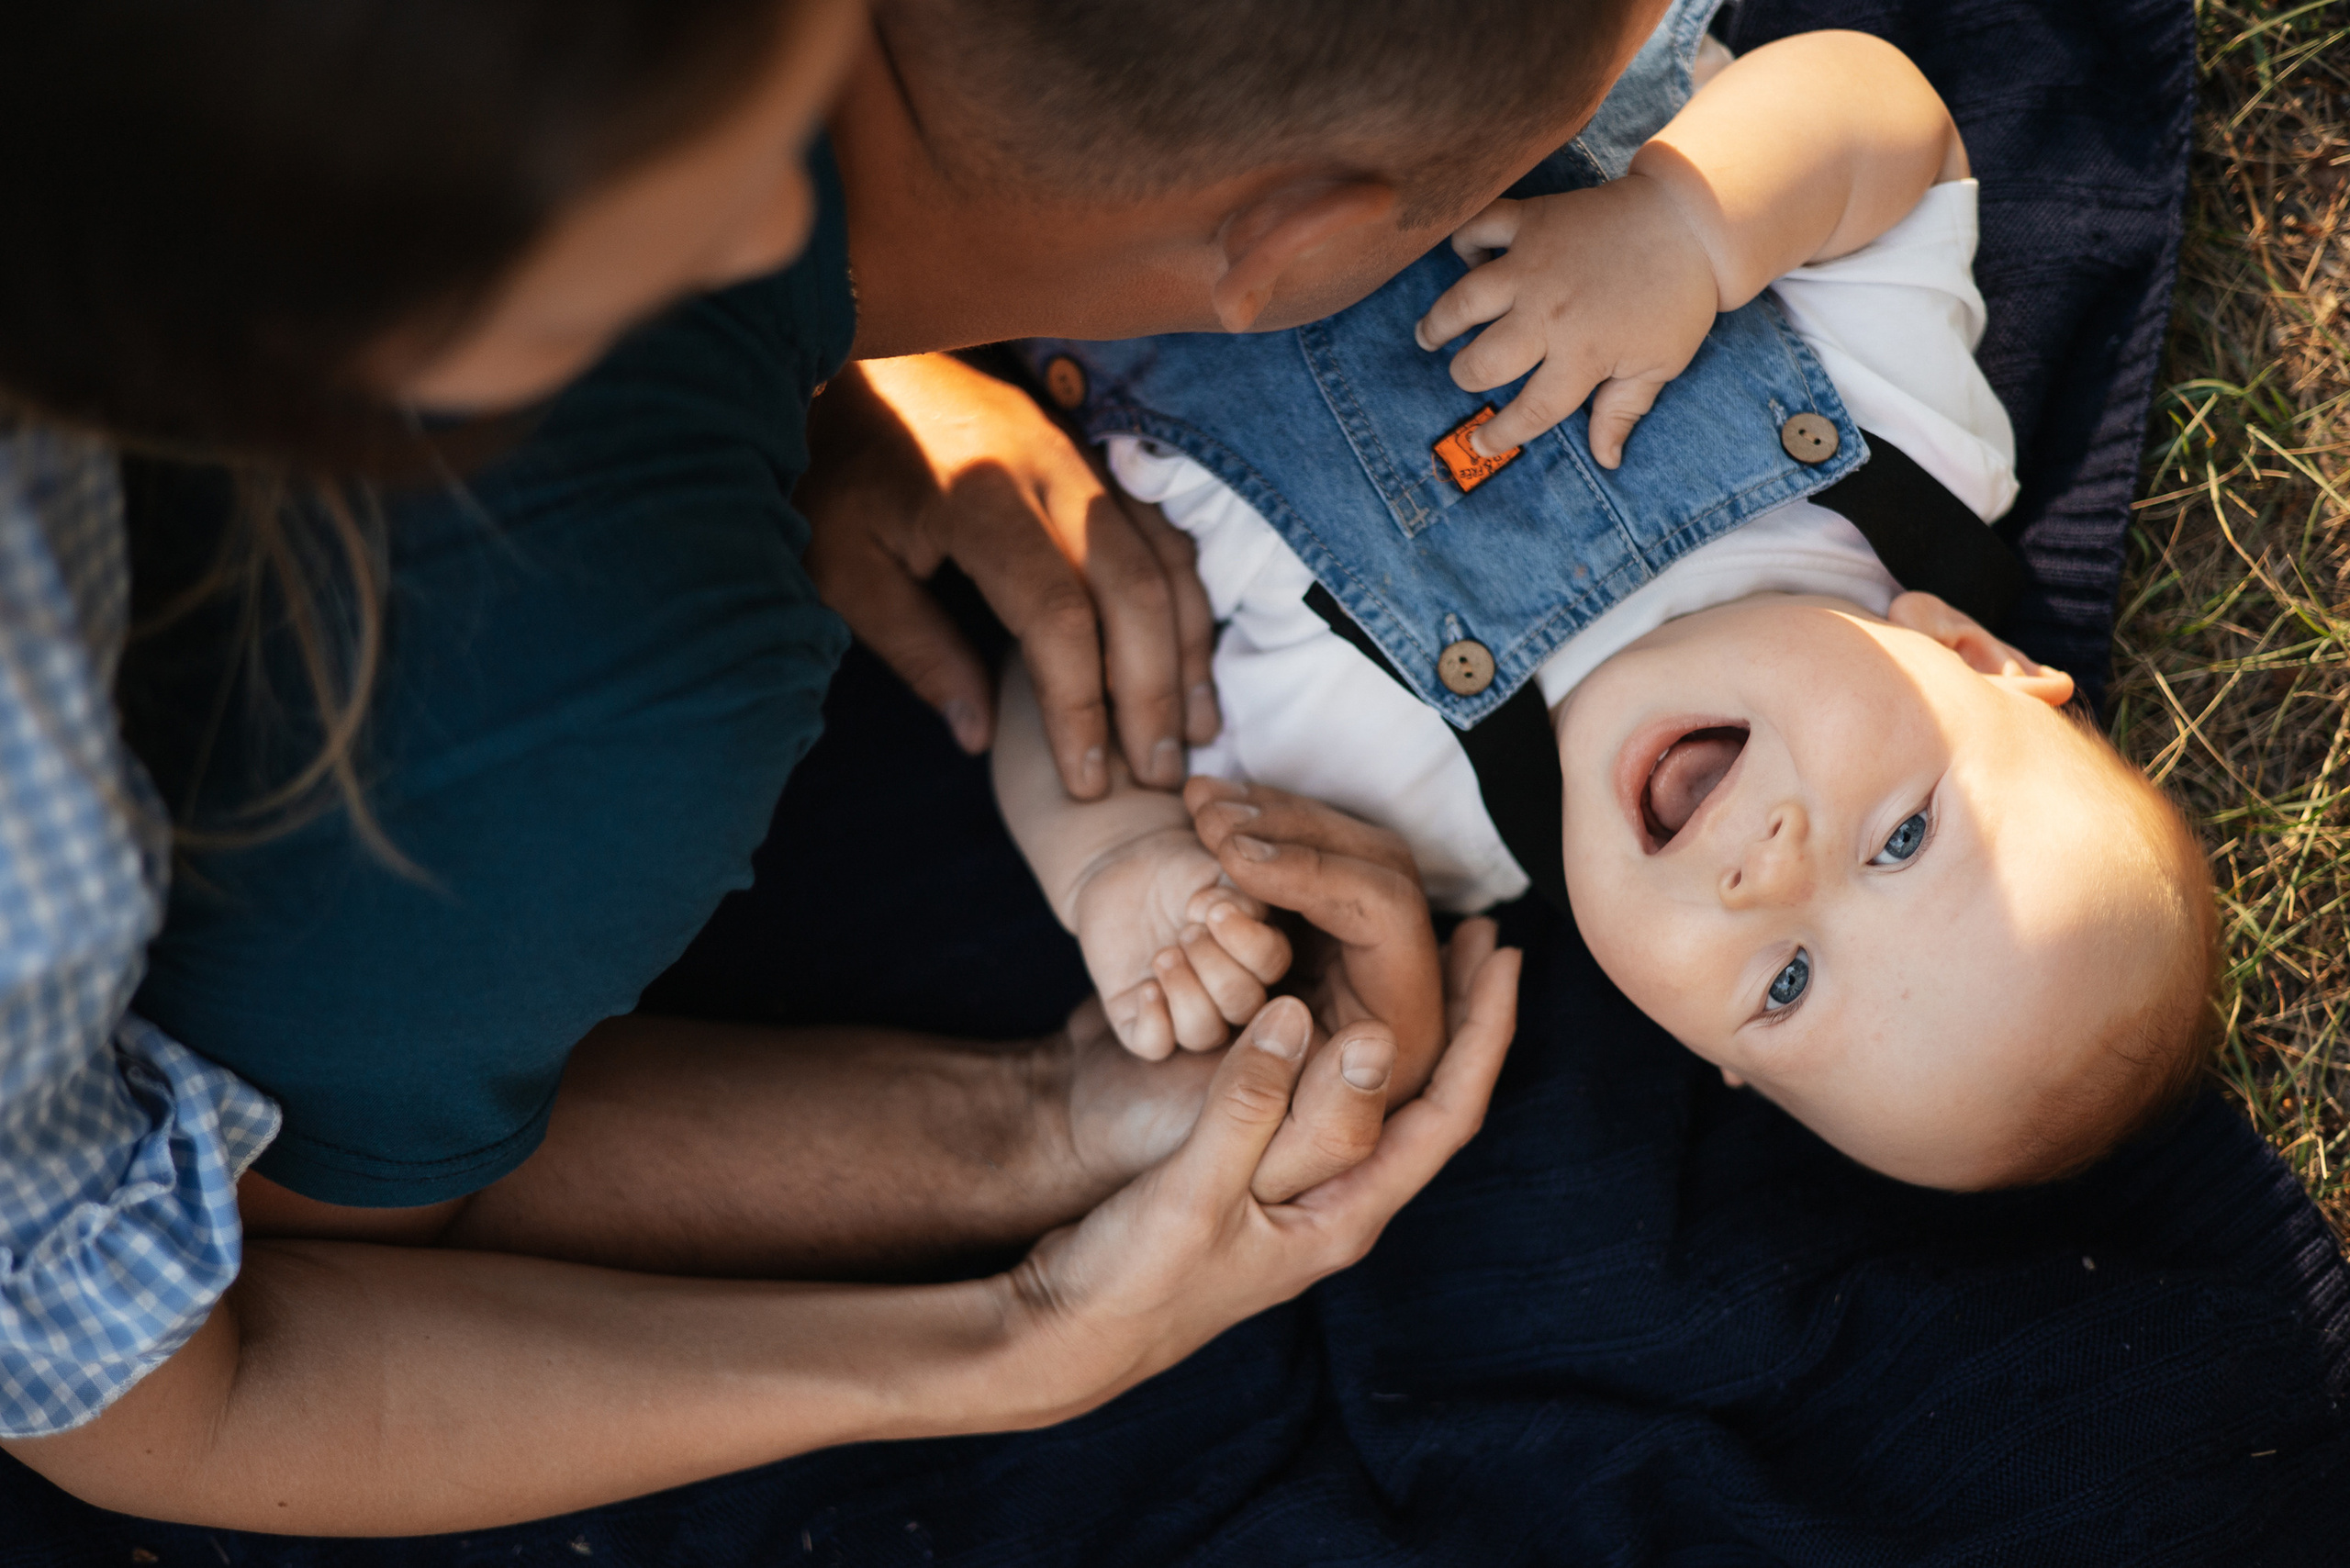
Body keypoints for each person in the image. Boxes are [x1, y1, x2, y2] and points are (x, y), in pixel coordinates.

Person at [0, 0, 1691, 1534]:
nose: (769, 222)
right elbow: (169, 1350)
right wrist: (1009, 1333)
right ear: (1298, 234)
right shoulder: (594, 704)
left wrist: (850, 380)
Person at [994, 23, 2221, 1191]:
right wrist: (1690, 228)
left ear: (1702, 1056)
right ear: (1967, 654)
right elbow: (1881, 121)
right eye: (1901, 838)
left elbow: (1091, 669)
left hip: (1089, 187)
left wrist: (1112, 861)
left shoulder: (1409, 823)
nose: (1771, 879)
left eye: (1785, 985)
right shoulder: (1906, 462)